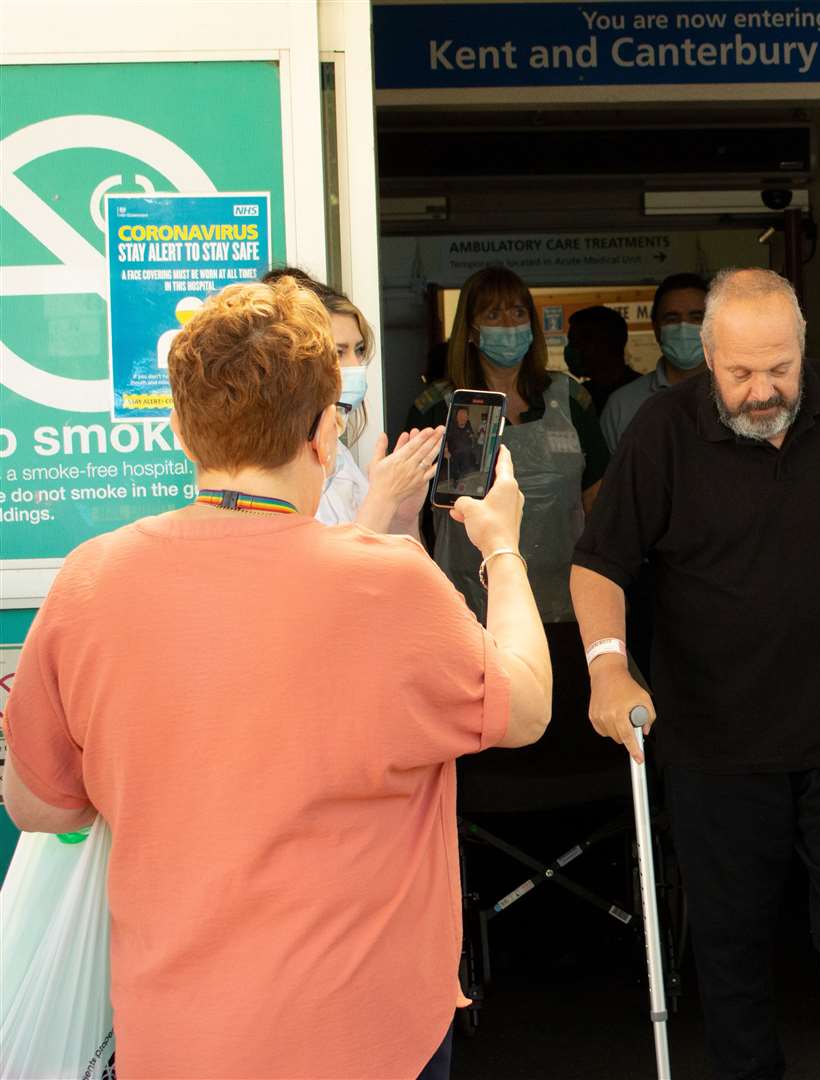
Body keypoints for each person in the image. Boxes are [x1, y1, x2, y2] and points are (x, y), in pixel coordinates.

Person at [0, 279, 552, 1080]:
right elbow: (527, 707)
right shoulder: (389, 582)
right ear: (326, 433)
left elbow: (38, 805)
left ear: (184, 435)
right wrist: (502, 550)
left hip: (174, 1036)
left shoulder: (92, 581)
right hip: (369, 1036)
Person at [571, 267, 820, 1080]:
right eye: (740, 374)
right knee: (731, 935)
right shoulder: (662, 431)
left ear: (804, 348)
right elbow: (599, 564)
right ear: (704, 356)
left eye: (781, 369)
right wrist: (608, 669)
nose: (764, 392)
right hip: (716, 738)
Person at [405, 265, 610, 623]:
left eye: (518, 313)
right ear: (470, 329)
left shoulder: (571, 399)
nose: (509, 324)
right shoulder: (438, 407)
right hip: (468, 606)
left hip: (566, 603)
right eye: (493, 314)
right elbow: (410, 514)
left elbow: (598, 499)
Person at [261, 267, 441, 536]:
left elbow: (397, 570)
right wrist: (384, 498)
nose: (356, 366)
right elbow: (331, 573)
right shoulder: (272, 467)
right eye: (338, 352)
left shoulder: (340, 459)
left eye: (358, 350)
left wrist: (403, 515)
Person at [599, 271, 710, 455]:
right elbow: (608, 480)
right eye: (672, 319)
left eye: (697, 317)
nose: (683, 328)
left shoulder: (741, 396)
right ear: (656, 328)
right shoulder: (622, 405)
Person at [565, 304, 637, 414]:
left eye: (576, 342)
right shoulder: (581, 396)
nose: (571, 349)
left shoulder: (643, 392)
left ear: (602, 344)